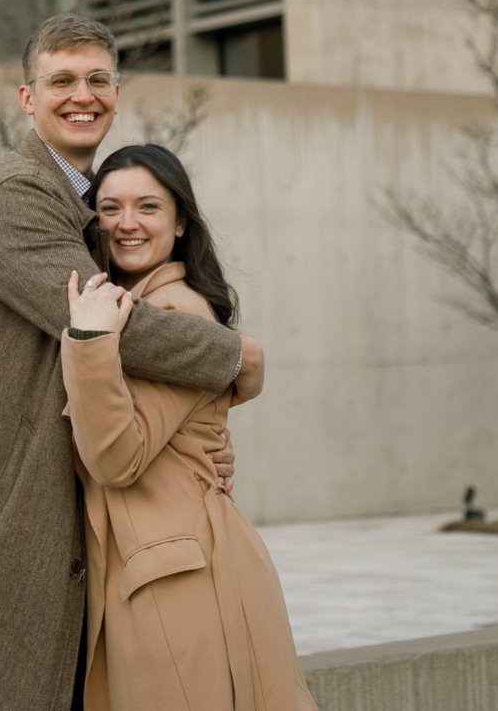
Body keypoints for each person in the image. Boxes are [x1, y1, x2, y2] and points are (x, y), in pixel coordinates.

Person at [0, 15, 267, 711]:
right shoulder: (18, 196)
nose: (81, 94)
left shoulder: (81, 207)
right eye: (61, 79)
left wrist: (198, 434)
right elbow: (114, 327)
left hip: (42, 533)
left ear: (116, 93)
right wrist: (239, 358)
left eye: (97, 78)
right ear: (27, 98)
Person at [63, 144, 317, 711]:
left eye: (148, 207)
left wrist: (87, 341)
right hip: (160, 568)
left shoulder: (176, 314)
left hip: (177, 581)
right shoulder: (134, 308)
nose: (127, 223)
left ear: (180, 223)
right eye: (110, 208)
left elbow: (114, 458)